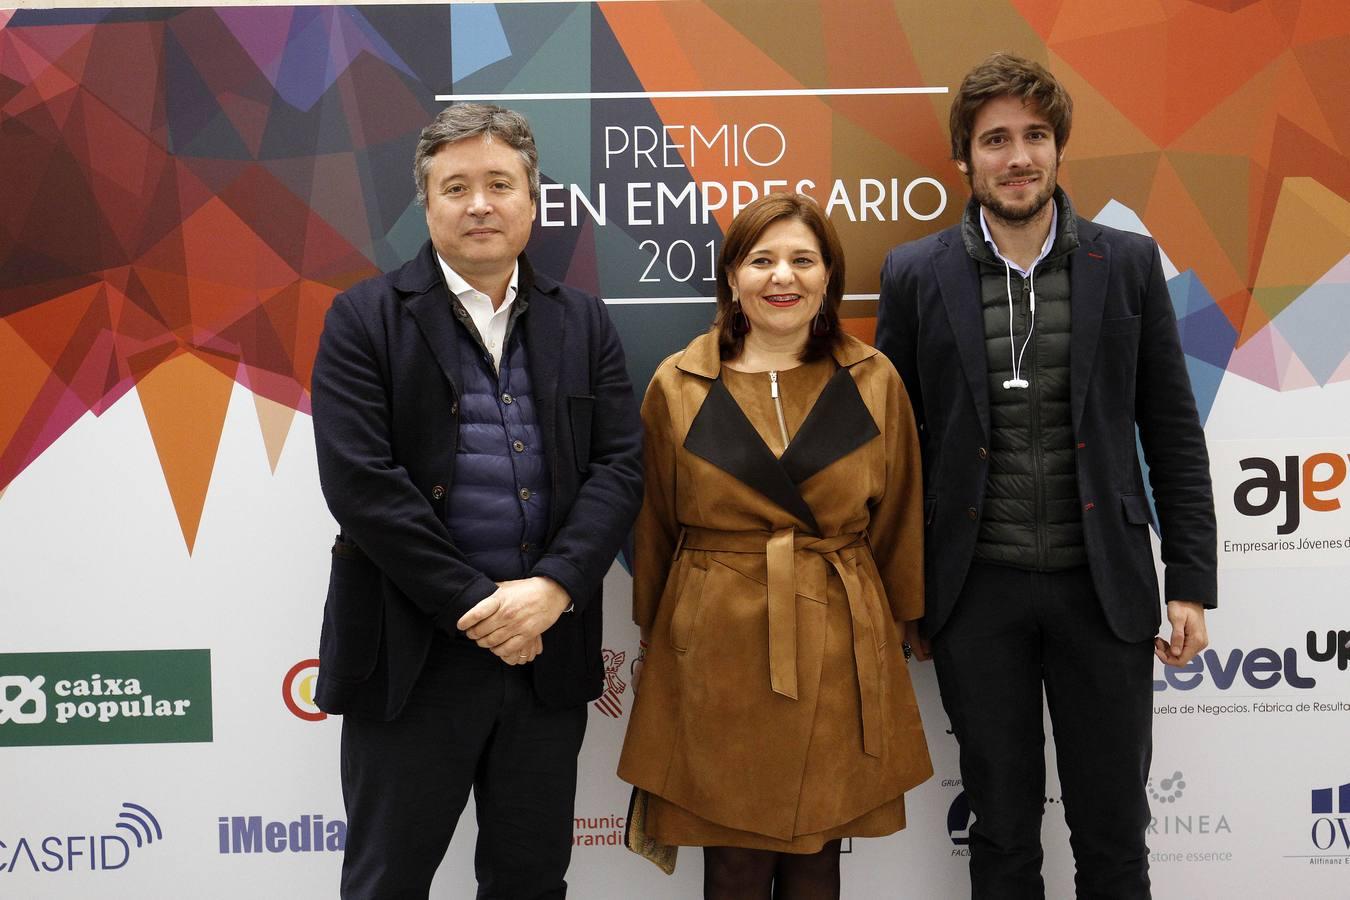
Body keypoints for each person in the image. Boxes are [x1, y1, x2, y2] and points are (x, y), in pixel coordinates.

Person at [875, 53, 1216, 898]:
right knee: (1000, 828)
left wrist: (1191, 582)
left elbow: (1171, 431)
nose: (1017, 156)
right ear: (965, 157)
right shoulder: (916, 273)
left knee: (1113, 832)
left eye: (1035, 135)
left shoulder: (1127, 263)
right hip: (974, 593)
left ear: (1060, 148)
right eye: (996, 139)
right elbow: (894, 450)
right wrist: (907, 590)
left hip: (1103, 589)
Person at [310, 103, 643, 899]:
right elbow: (361, 484)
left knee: (529, 879)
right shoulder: (364, 318)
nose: (480, 203)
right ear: (427, 206)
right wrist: (481, 607)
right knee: (388, 878)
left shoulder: (583, 322)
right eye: (455, 186)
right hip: (411, 658)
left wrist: (553, 589)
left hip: (543, 652)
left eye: (500, 183)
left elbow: (620, 466)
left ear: (534, 200)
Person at [619, 192, 933, 898]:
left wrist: (901, 625)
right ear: (731, 276)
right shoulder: (678, 384)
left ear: (828, 277)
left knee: (816, 854)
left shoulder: (873, 378)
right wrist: (657, 637)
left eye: (802, 259)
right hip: (714, 645)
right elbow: (653, 525)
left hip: (836, 640)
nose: (781, 277)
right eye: (761, 259)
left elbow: (900, 516)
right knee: (730, 860)